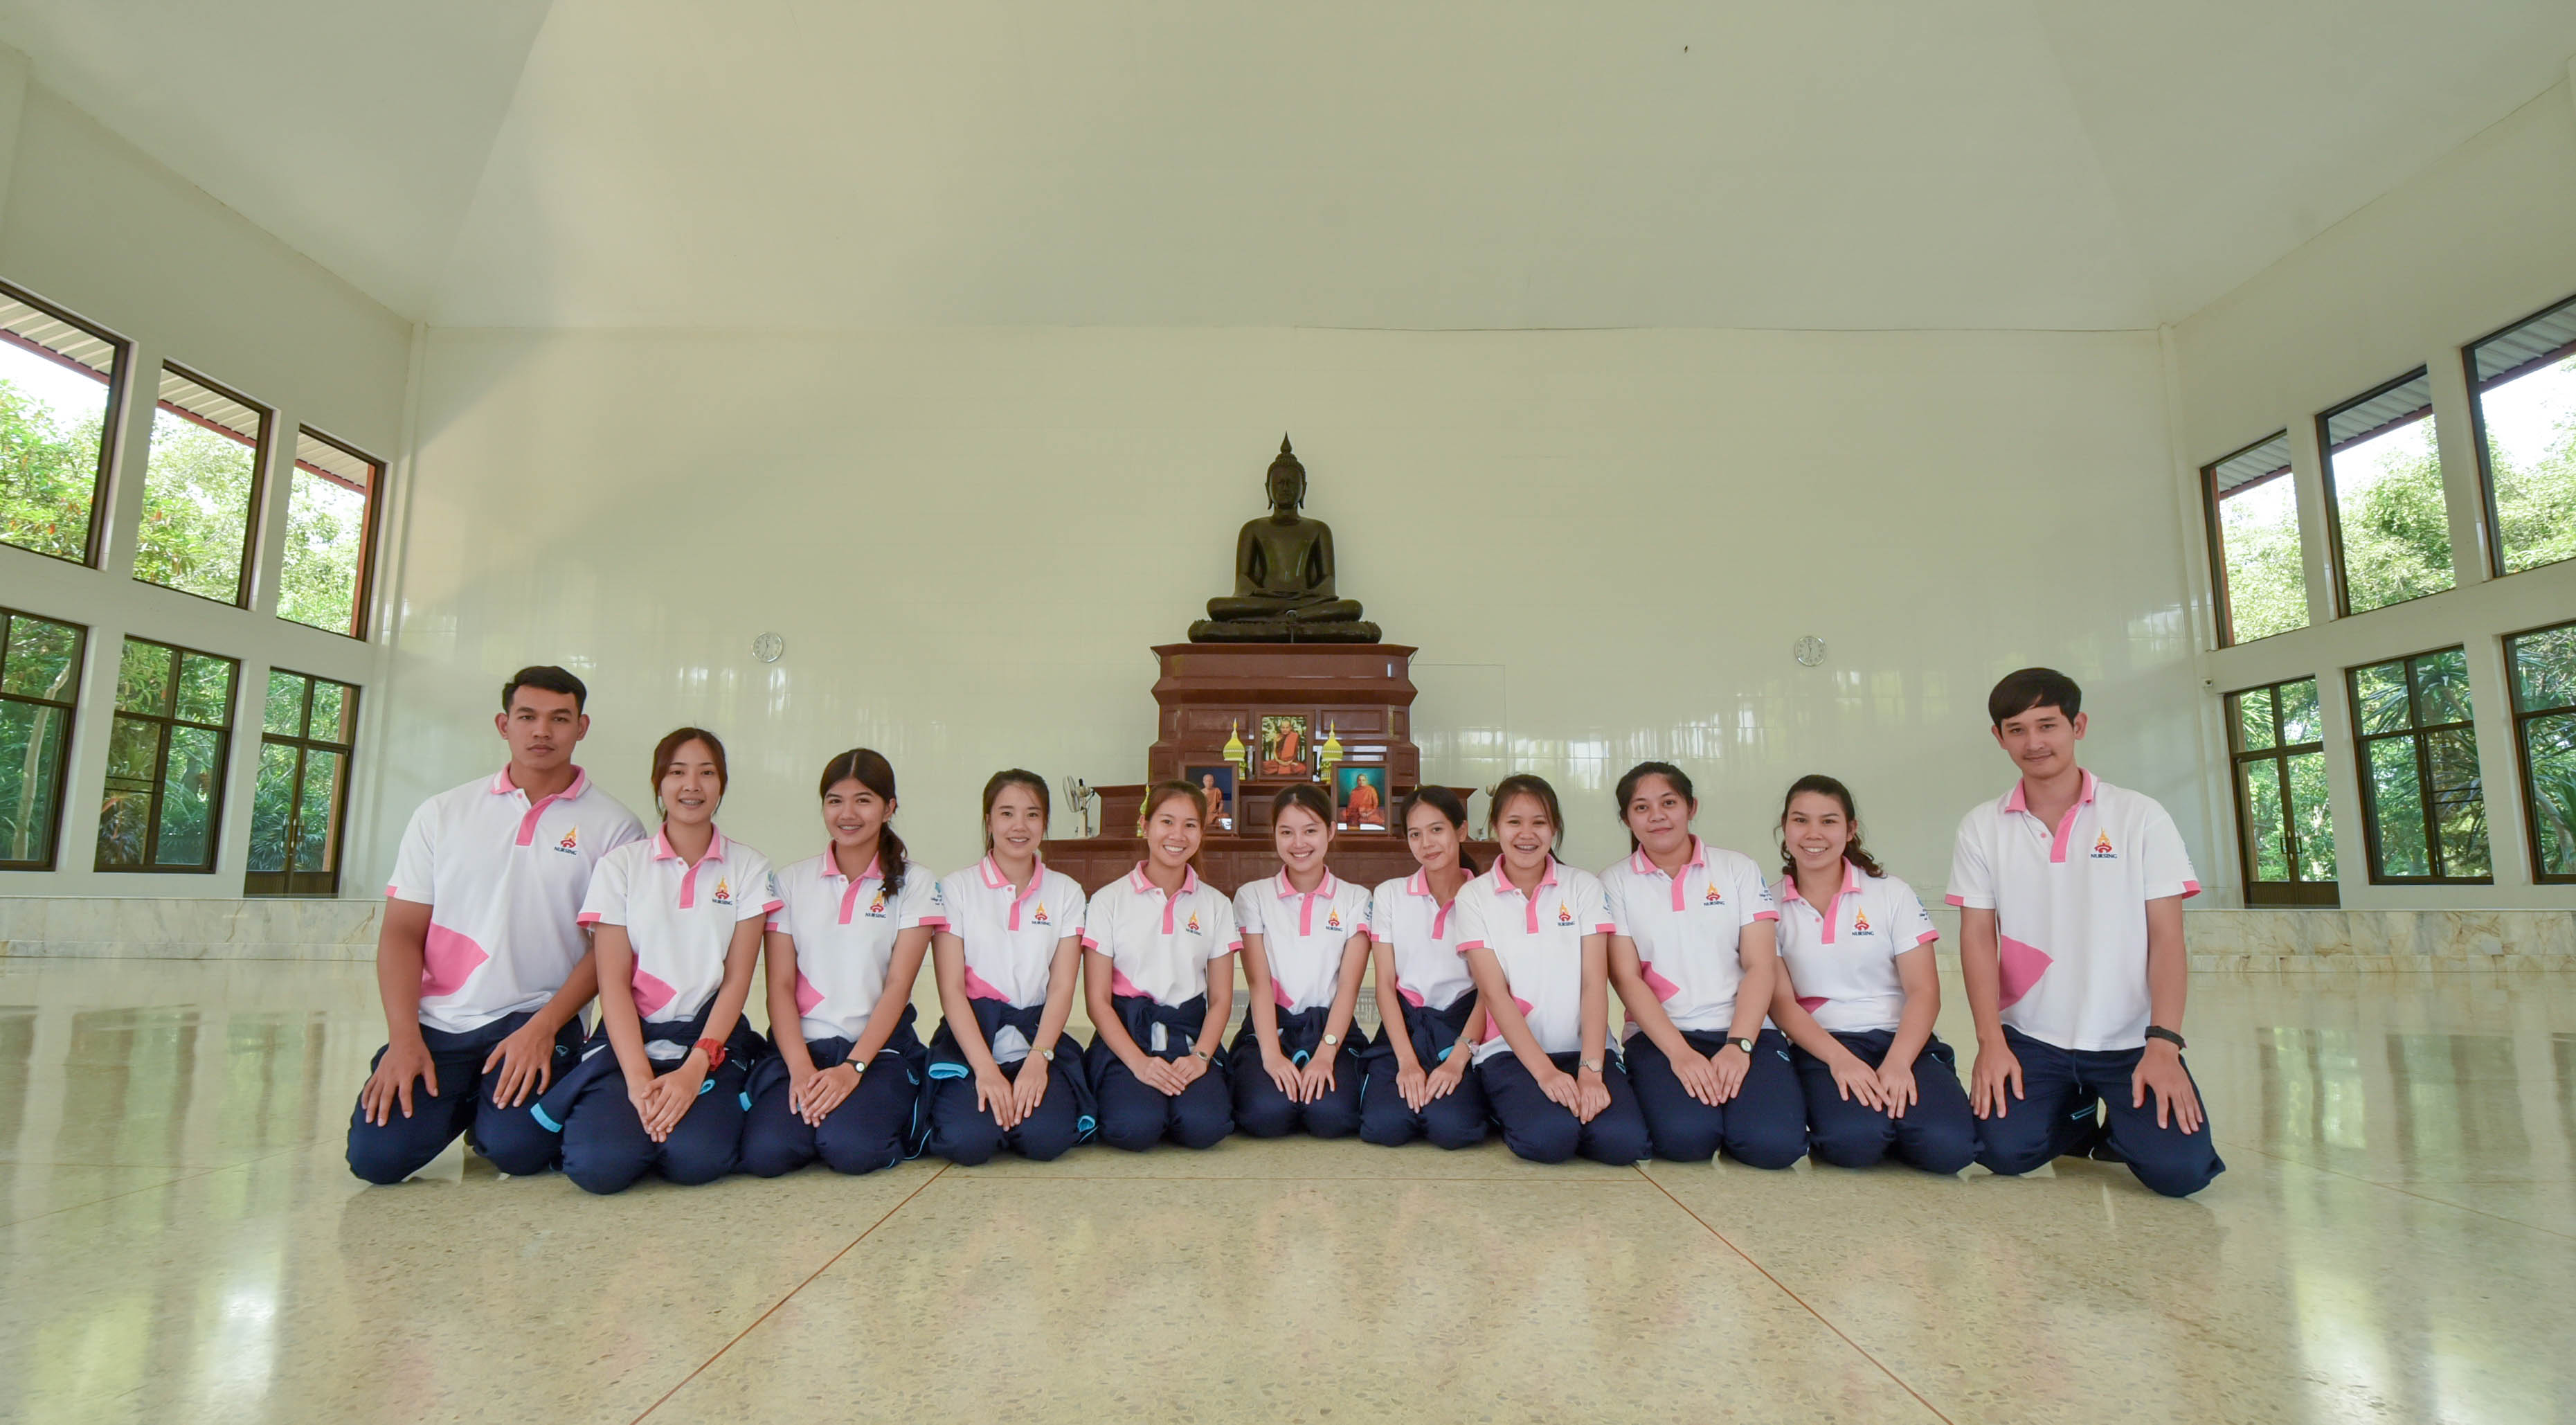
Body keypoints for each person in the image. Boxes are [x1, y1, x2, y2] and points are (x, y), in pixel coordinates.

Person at [349, 666, 645, 1185]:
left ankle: (490, 1115)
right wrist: (403, 1039)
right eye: (527, 717)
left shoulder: (616, 827)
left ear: (582, 727)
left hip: (536, 1017)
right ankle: (467, 1099)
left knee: (518, 1149)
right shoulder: (442, 813)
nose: (542, 731)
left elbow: (608, 950)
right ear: (503, 724)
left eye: (560, 719)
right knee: (377, 1159)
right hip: (441, 1023)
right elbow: (401, 933)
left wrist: (544, 1027)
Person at [1952, 667, 2223, 1198]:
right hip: (2031, 1036)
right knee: (2001, 1151)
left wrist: (2163, 1045)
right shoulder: (1981, 826)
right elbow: (1977, 938)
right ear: (1999, 737)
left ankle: (2121, 1123)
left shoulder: (2139, 816)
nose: (2033, 742)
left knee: (2180, 1174)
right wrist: (1991, 1042)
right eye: (2016, 730)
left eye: (2047, 725)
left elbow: (2167, 938)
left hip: (2130, 1040)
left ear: (2077, 726)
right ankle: (2076, 1113)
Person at [536, 728, 775, 1193]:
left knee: (697, 1161)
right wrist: (639, 1081)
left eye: (707, 773)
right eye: (677, 773)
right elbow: (612, 983)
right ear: (658, 783)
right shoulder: (621, 867)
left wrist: (694, 1070)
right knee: (598, 1168)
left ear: (722, 785)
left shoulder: (749, 868)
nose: (692, 786)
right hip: (631, 1041)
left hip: (707, 1042)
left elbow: (737, 981)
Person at [739, 750, 939, 1177]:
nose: (847, 814)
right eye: (835, 801)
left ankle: (879, 1112)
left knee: (852, 1149)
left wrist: (853, 1068)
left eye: (863, 800)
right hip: (803, 1050)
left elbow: (898, 986)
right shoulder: (791, 882)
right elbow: (779, 986)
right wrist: (800, 1070)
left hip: (878, 1053)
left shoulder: (917, 883)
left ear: (889, 808)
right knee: (767, 1153)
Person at [1767, 774, 1976, 1174]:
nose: (1814, 834)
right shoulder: (1769, 903)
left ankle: (1905, 1120)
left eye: (1829, 821)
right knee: (1854, 1144)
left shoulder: (1891, 894)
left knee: (1949, 1150)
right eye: (1801, 820)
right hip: (1824, 1046)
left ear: (1850, 830)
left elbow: (1924, 991)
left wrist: (1898, 1063)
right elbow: (1781, 1003)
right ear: (1785, 827)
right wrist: (1840, 1060)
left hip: (1902, 1041)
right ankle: (1873, 1123)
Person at [1602, 762, 1805, 1169]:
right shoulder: (1614, 882)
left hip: (1747, 1031)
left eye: (1669, 803)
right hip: (1661, 1037)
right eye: (1641, 808)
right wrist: (1680, 1054)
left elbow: (1761, 965)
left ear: (1691, 807)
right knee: (1684, 1140)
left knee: (1774, 1147)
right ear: (1626, 819)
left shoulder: (1737, 869)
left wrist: (1739, 1045)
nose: (1657, 816)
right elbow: (1625, 977)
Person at [1455, 774, 1650, 1165]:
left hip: (1584, 1047)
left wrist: (1591, 1070)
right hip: (1510, 1052)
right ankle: (1507, 1106)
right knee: (1548, 1140)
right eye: (1514, 822)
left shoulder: (1583, 887)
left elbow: (1594, 983)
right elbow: (1494, 994)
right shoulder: (1474, 896)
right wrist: (1545, 1073)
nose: (1526, 834)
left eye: (1539, 822)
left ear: (1555, 828)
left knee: (1623, 1144)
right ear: (1495, 826)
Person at [923, 771, 1097, 1164]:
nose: (1020, 826)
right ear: (988, 821)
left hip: (1037, 1038)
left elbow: (1062, 987)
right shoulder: (956, 889)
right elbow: (951, 989)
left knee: (1045, 1140)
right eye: (1006, 813)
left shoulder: (1066, 892)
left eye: (1032, 815)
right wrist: (985, 1069)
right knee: (969, 1142)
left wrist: (1039, 1060)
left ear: (1045, 822)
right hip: (973, 1039)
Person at [1085, 782, 1239, 1151]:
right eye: (1167, 822)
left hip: (1189, 1037)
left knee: (1205, 1128)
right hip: (1128, 1038)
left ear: (1201, 832)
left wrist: (1201, 1057)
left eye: (1190, 825)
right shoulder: (1108, 901)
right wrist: (1139, 1063)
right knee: (1134, 1128)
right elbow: (1097, 1001)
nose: (1177, 835)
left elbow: (1221, 999)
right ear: (1145, 825)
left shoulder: (1216, 905)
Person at [1232, 784, 1373, 1138]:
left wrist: (1326, 1054)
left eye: (1310, 831)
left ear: (1331, 831)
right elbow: (1259, 984)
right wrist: (1271, 1055)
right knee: (1266, 1116)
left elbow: (1348, 988)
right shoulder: (1252, 896)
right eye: (1287, 832)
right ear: (1274, 835)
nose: (1299, 843)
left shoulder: (1356, 899)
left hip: (1331, 1030)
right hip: (1270, 1027)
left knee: (1332, 1118)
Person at [1357, 787, 1490, 1149]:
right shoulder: (1390, 895)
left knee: (1454, 1130)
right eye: (1415, 834)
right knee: (1384, 1127)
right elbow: (1385, 985)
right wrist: (1407, 1062)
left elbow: (1491, 992)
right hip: (1405, 1025)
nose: (1427, 843)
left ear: (1461, 831)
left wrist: (1458, 1060)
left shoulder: (1486, 897)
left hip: (1463, 1027)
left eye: (1437, 830)